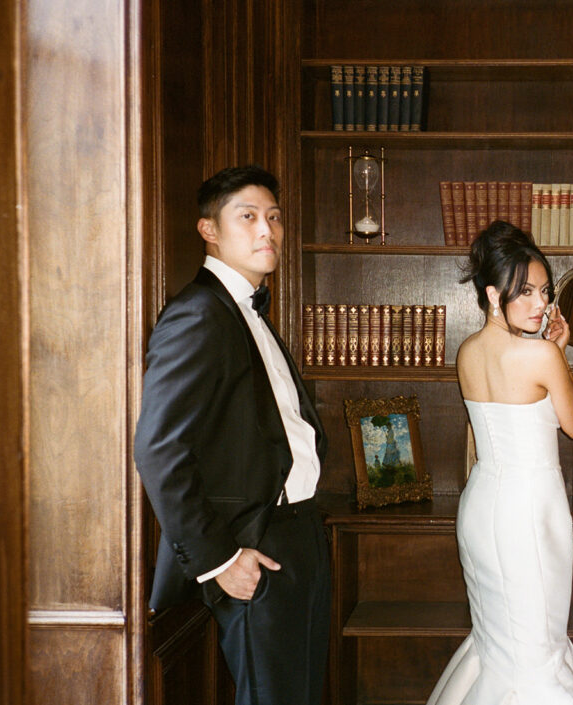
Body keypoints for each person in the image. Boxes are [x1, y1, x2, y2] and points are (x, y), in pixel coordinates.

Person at [134, 165, 330, 705]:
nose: (267, 230)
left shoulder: (247, 312)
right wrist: (220, 560)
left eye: (274, 217)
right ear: (209, 230)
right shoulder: (197, 314)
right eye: (247, 217)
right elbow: (158, 449)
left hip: (299, 534)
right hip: (252, 546)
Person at [427, 221, 573, 704]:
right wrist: (557, 354)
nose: (540, 304)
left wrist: (553, 351)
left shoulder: (467, 352)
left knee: (501, 643)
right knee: (535, 652)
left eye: (545, 290)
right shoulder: (541, 356)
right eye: (523, 292)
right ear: (492, 295)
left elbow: (522, 406)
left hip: (483, 506)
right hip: (528, 511)